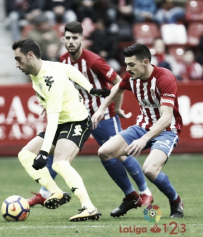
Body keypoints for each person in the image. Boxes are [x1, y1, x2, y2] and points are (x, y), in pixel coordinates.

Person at [26, 21, 153, 210]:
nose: (71, 42)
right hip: (77, 117)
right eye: (68, 38)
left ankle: (144, 192)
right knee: (53, 148)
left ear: (82, 40)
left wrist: (115, 108)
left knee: (120, 154)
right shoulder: (63, 61)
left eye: (75, 38)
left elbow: (119, 82)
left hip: (103, 116)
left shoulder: (93, 61)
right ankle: (45, 193)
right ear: (63, 39)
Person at [12, 38, 111, 221]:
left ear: (30, 55)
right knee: (25, 155)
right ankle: (56, 192)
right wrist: (90, 88)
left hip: (76, 121)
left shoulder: (50, 80)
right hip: (62, 123)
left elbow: (53, 118)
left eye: (19, 59)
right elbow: (69, 69)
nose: (16, 64)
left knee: (59, 162)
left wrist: (43, 152)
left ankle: (88, 207)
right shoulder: (43, 67)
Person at [92, 43, 184, 218]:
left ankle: (175, 201)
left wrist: (143, 140)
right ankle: (131, 196)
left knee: (149, 170)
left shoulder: (165, 78)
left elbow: (166, 119)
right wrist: (101, 108)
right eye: (126, 64)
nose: (127, 69)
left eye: (131, 64)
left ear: (145, 62)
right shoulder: (132, 76)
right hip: (142, 126)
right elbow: (117, 89)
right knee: (104, 152)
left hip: (166, 130)